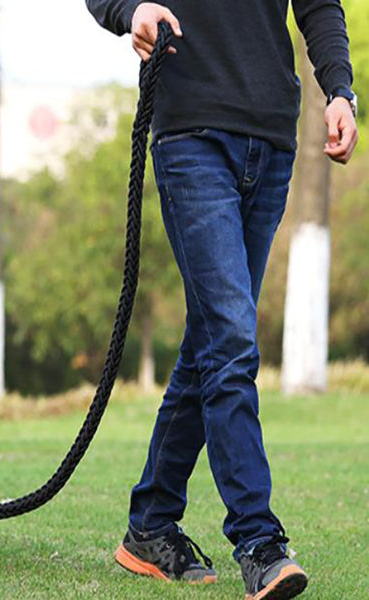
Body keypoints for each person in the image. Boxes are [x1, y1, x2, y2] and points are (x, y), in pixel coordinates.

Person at [85, 1, 357, 599]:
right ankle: (259, 542)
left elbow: (318, 5)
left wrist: (340, 90)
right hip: (192, 135)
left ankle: (151, 526)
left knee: (213, 339)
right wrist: (131, 9)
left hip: (271, 138)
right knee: (232, 339)